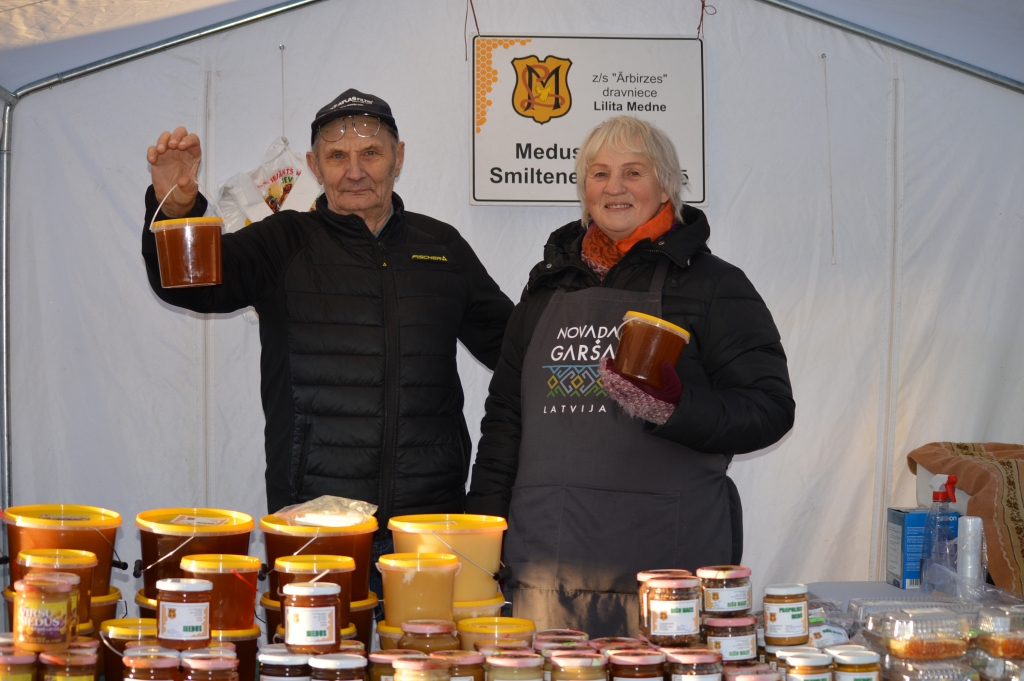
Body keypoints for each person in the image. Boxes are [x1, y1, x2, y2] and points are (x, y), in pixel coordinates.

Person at [465, 116, 795, 636]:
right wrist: (483, 535)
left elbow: (770, 408)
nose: (613, 187)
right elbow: (505, 420)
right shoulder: (546, 289)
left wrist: (675, 408)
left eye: (633, 172)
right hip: (547, 571)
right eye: (599, 173)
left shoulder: (713, 286)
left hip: (667, 568)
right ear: (583, 190)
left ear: (665, 186)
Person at [142, 89, 514, 549]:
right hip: (313, 523)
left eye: (370, 153)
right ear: (314, 167)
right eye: (337, 156)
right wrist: (176, 208)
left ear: (398, 158)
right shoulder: (281, 244)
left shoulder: (442, 247)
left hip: (429, 526)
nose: (354, 171)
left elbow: (516, 352)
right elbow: (189, 285)